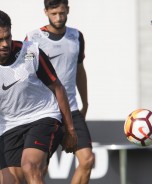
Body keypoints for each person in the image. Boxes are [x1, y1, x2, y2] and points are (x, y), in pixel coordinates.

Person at [0, 9, 77, 184]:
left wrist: (70, 129)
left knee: (30, 166)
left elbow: (58, 87)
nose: (5, 44)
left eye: (8, 37)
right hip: (8, 126)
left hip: (43, 116)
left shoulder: (31, 52)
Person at [26, 1, 94, 183]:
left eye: (62, 13)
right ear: (46, 12)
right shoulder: (33, 38)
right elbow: (25, 75)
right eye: (54, 13)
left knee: (87, 160)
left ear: (68, 11)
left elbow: (79, 70)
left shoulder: (76, 36)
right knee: (40, 168)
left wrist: (85, 103)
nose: (58, 17)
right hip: (44, 111)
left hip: (71, 109)